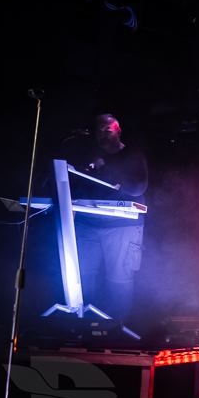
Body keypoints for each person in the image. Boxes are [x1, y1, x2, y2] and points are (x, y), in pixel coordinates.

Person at [67, 113, 149, 324]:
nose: (102, 134)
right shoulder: (90, 157)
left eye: (108, 130)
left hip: (121, 225)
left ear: (118, 131)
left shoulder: (132, 155)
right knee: (83, 275)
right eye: (99, 131)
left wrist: (106, 168)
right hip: (88, 223)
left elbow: (137, 188)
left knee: (119, 277)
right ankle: (84, 323)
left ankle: (118, 326)